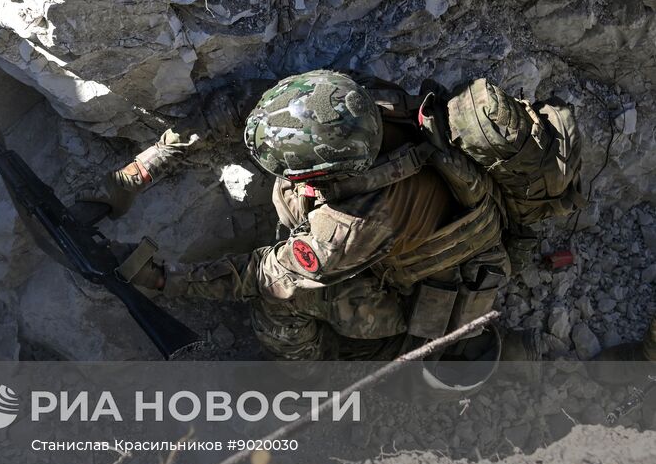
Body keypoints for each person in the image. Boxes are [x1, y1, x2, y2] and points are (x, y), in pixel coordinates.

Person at [80, 69, 580, 372]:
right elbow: (243, 108)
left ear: (325, 172)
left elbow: (263, 277)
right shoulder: (353, 99)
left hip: (430, 286)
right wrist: (145, 168)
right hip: (425, 225)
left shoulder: (354, 222)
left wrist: (162, 278)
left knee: (286, 305)